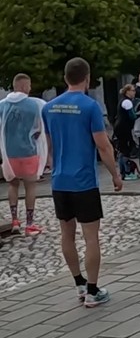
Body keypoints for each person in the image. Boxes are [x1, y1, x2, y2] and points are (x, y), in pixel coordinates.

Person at [43, 58, 122, 306]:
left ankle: (78, 283)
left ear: (65, 78)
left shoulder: (49, 108)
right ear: (87, 78)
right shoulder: (90, 106)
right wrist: (115, 174)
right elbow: (103, 145)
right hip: (84, 181)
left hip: (60, 180)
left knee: (66, 234)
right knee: (91, 237)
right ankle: (93, 290)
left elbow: (49, 146)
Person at [0, 74, 48, 235]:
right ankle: (29, 224)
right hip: (28, 152)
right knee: (30, 186)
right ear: (23, 86)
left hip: (9, 153)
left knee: (12, 185)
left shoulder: (2, 105)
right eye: (29, 85)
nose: (30, 88)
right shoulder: (35, 105)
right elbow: (39, 129)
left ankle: (14, 220)